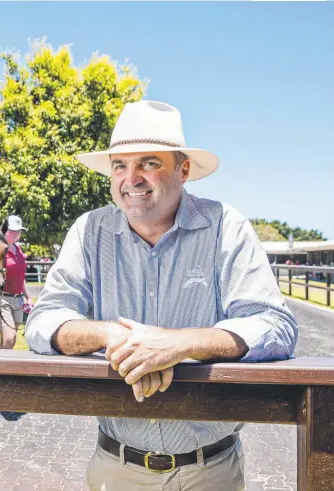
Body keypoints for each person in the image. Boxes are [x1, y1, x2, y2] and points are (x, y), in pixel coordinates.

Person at [26, 100, 298, 491]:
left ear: (183, 169)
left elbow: (275, 326)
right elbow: (44, 319)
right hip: (115, 467)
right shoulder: (89, 231)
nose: (130, 178)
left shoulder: (226, 227)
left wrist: (177, 344)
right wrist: (113, 336)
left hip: (211, 470)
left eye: (149, 163)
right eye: (120, 165)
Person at [0, 215, 32, 349]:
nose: (17, 233)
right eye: (14, 230)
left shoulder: (17, 249)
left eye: (19, 230)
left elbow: (20, 276)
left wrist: (28, 297)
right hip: (1, 299)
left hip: (18, 300)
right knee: (9, 339)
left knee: (10, 342)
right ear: (5, 231)